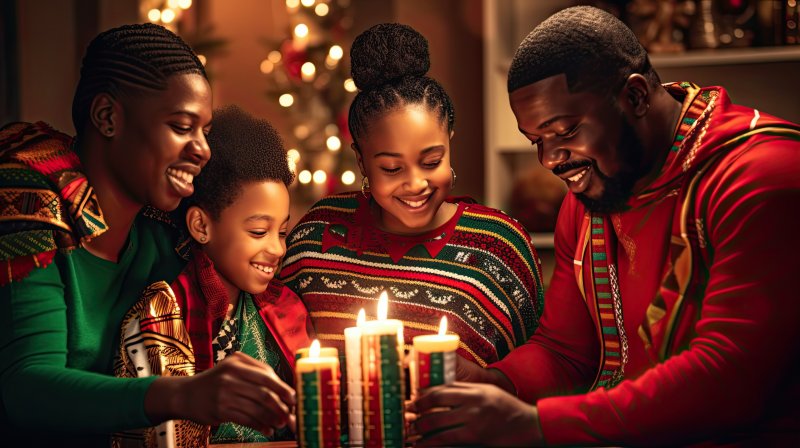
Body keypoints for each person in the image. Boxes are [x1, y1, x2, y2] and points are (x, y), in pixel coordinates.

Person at [410, 6, 800, 446]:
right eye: (537, 140)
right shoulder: (591, 197)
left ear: (634, 97)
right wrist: (494, 383)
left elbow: (730, 380)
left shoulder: (764, 176)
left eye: (566, 130)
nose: (550, 160)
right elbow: (564, 350)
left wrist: (534, 425)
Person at [0, 24, 292, 446]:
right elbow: (26, 389)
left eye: (204, 131)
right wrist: (183, 394)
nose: (203, 149)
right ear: (107, 117)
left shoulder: (165, 235)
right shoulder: (27, 200)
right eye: (181, 125)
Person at [280, 23, 544, 367]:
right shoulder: (316, 236)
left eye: (431, 161)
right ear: (361, 160)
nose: (416, 184)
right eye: (392, 168)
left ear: (450, 140)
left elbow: (536, 372)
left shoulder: (499, 247)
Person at [170, 105, 312, 443]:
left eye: (282, 231)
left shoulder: (287, 308)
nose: (278, 249)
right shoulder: (169, 311)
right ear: (201, 226)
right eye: (259, 232)